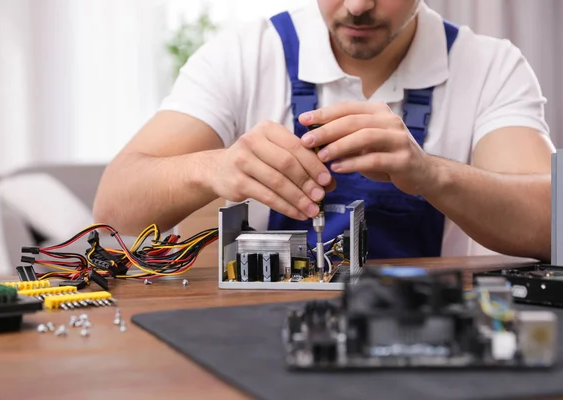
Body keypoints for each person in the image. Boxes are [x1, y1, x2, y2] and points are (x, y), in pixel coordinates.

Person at [94, 0, 555, 262]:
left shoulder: (491, 65)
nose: (357, 7)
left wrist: (430, 174)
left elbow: (548, 227)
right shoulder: (244, 55)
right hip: (258, 333)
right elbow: (113, 211)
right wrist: (214, 168)